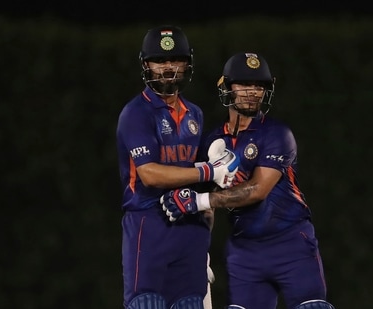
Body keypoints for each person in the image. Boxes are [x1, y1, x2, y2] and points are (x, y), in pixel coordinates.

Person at [160, 52, 336, 309]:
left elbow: (257, 190)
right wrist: (199, 253)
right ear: (227, 87)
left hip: (290, 243)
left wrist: (197, 200)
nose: (252, 92)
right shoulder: (210, 140)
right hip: (244, 251)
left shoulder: (276, 133)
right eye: (244, 84)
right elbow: (206, 210)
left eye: (259, 86)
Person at [116, 25, 238, 309]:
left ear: (187, 63)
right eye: (159, 61)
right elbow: (149, 174)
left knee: (191, 303)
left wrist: (206, 220)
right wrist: (208, 170)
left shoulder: (194, 113)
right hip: (148, 222)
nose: (168, 68)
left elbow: (202, 177)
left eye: (175, 60)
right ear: (146, 65)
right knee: (146, 303)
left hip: (189, 224)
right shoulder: (136, 113)